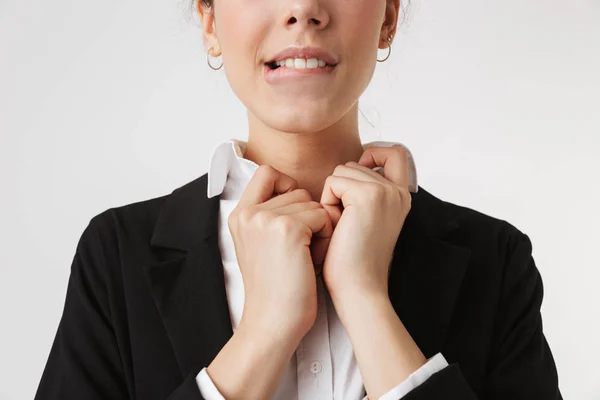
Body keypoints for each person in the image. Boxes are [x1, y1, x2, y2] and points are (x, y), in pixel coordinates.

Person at [34, 0, 562, 399]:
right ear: (211, 22)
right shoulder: (116, 257)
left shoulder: (496, 259)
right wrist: (265, 330)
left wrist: (364, 297)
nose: (303, 9)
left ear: (388, 18)